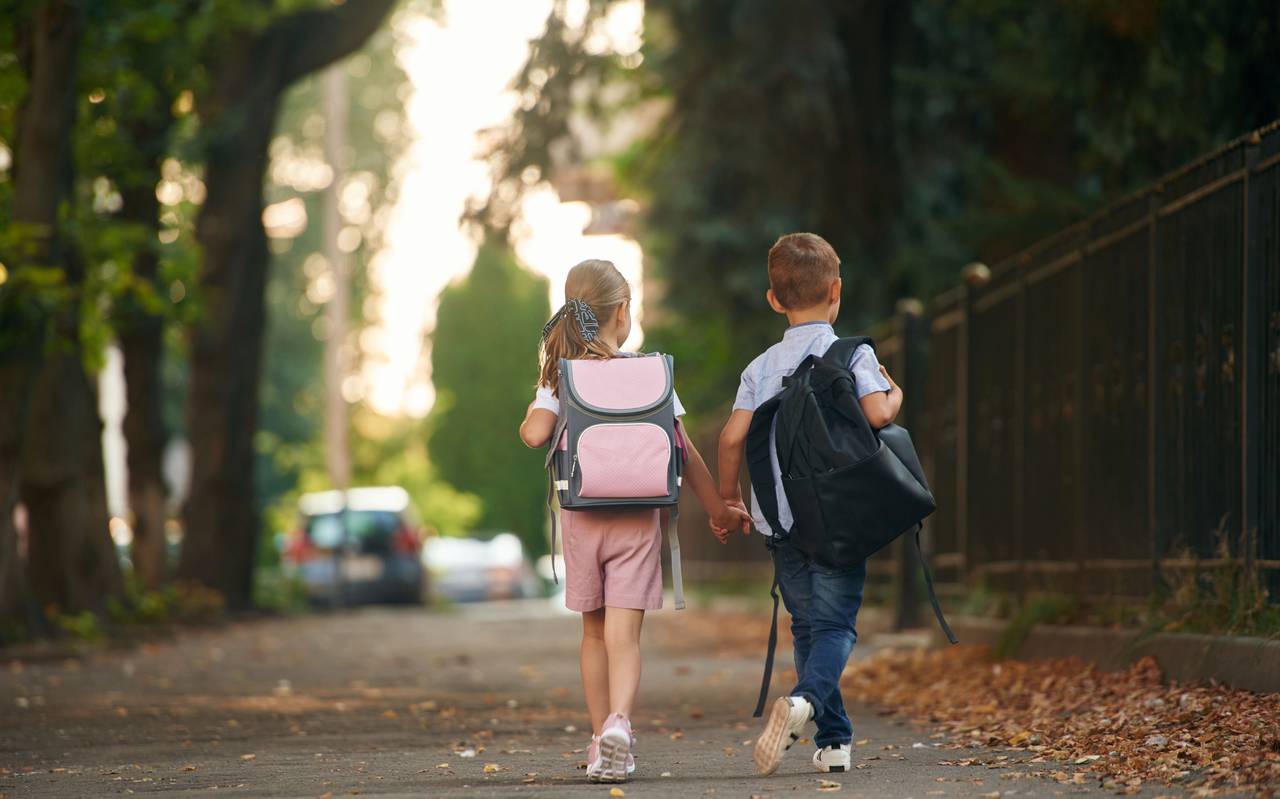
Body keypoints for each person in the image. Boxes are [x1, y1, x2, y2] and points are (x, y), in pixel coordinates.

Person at [518, 258, 751, 784]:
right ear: (622, 312)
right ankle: (622, 721)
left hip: (582, 522)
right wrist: (720, 509)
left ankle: (600, 738)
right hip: (639, 523)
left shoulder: (561, 378)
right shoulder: (651, 375)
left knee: (594, 634)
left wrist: (539, 403)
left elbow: (535, 436)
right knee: (626, 636)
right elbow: (684, 452)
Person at [715, 233, 902, 776]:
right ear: (836, 290)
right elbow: (878, 416)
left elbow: (730, 440)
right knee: (837, 626)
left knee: (807, 625)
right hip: (841, 517)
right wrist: (895, 395)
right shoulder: (852, 353)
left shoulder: (759, 368)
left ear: (774, 300)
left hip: (781, 520)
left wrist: (730, 499)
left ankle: (836, 741)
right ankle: (808, 703)